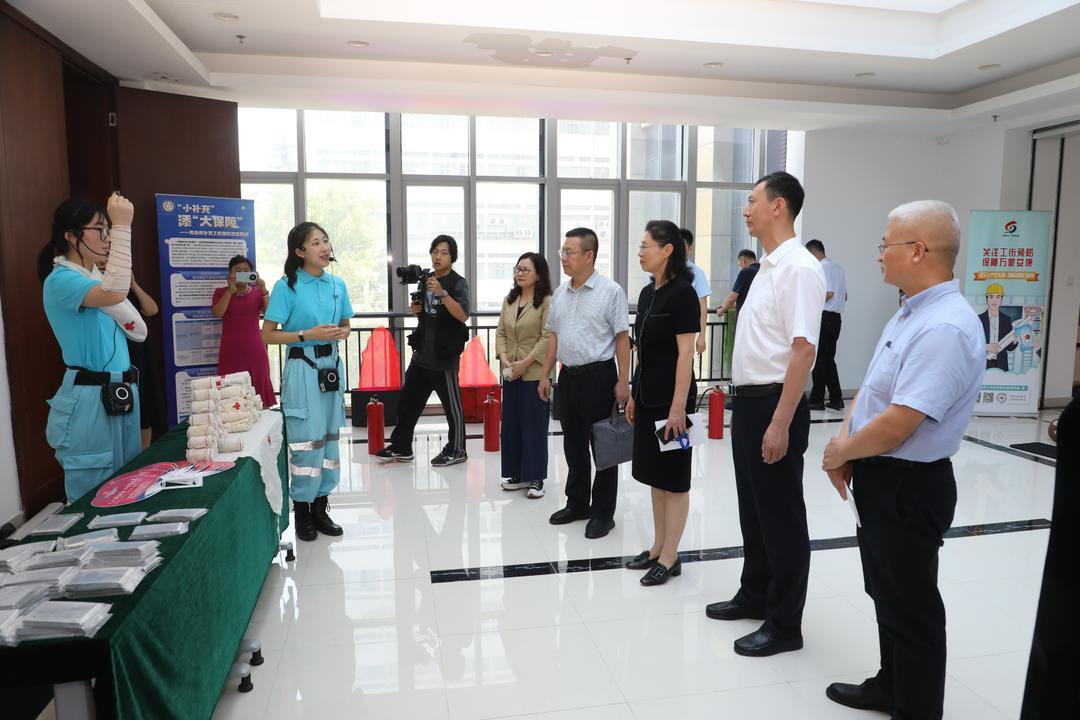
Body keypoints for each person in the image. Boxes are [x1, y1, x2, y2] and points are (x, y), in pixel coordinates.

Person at [821, 200, 985, 720]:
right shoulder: (911, 312)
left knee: (912, 608)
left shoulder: (946, 328)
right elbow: (872, 391)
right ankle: (891, 685)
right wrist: (844, 444)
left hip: (909, 486)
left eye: (884, 244)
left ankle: (916, 707)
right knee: (886, 591)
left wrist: (842, 451)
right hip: (881, 475)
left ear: (917, 251)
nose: (878, 255)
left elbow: (901, 421)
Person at [704, 171, 825, 658]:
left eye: (753, 200)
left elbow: (803, 350)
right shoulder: (768, 268)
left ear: (779, 207)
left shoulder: (799, 269)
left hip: (776, 403)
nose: (745, 208)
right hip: (753, 402)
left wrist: (779, 421)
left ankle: (785, 624)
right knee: (754, 510)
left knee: (781, 517)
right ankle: (755, 593)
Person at [38, 193, 143, 501]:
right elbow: (115, 292)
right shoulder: (61, 281)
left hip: (121, 390)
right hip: (90, 397)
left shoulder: (93, 279)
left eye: (109, 229)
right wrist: (123, 227)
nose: (107, 238)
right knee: (94, 495)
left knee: (129, 485)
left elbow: (137, 327)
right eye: (100, 229)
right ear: (72, 236)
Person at [262, 222, 353, 541]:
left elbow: (346, 324)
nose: (325, 247)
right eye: (316, 243)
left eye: (325, 241)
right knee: (306, 440)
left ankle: (321, 506)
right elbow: (267, 335)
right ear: (300, 251)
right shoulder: (286, 286)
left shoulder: (337, 284)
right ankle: (302, 510)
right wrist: (307, 334)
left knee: (329, 439)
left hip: (331, 366)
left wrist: (343, 332)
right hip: (303, 367)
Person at [538, 227, 631, 540]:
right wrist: (546, 374)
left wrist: (623, 381)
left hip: (599, 377)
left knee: (603, 446)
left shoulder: (611, 291)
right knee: (573, 445)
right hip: (569, 377)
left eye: (570, 252)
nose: (563, 257)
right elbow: (554, 336)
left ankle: (603, 513)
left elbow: (622, 338)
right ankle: (577, 503)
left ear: (589, 255)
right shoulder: (560, 294)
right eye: (562, 252)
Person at [624, 220, 699, 585]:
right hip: (648, 396)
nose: (640, 252)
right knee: (656, 475)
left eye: (645, 246)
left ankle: (671, 556)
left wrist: (678, 408)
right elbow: (642, 351)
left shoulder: (683, 293)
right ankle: (658, 546)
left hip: (674, 401)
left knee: (675, 479)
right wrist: (634, 393)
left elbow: (686, 354)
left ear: (667, 250)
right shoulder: (646, 293)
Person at [376, 235, 471, 467]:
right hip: (422, 356)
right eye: (435, 251)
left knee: (452, 409)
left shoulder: (457, 283)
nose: (438, 256)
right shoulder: (426, 280)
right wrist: (417, 311)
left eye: (444, 252)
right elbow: (427, 315)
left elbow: (463, 315)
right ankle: (401, 447)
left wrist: (442, 293)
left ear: (452, 257)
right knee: (407, 403)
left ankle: (457, 449)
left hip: (444, 357)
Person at [496, 252, 553, 498]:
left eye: (525, 270)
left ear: (538, 274)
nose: (520, 273)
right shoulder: (509, 300)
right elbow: (500, 332)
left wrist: (526, 362)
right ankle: (517, 473)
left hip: (534, 372)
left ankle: (536, 477)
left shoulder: (547, 301)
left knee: (534, 426)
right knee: (512, 425)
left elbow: (547, 337)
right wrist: (504, 358)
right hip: (511, 372)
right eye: (518, 269)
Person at [212, 255, 277, 408]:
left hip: (256, 351)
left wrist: (264, 291)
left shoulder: (257, 293)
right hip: (230, 352)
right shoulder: (221, 292)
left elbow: (270, 314)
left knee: (259, 392)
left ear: (252, 274)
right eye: (238, 270)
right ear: (230, 273)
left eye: (246, 271)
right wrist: (231, 289)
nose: (242, 273)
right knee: (231, 395)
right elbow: (218, 312)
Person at [806, 239, 847, 411]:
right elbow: (844, 296)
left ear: (814, 252)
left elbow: (829, 293)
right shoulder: (838, 268)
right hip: (835, 319)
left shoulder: (822, 267)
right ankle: (836, 398)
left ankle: (817, 400)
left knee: (820, 360)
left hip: (825, 318)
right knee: (828, 360)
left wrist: (810, 303)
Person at [126, 277, 166, 448]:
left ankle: (144, 454)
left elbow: (152, 309)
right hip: (118, 356)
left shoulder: (128, 291)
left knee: (145, 407)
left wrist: (134, 284)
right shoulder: (99, 291)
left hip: (140, 354)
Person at [678, 228, 712, 356]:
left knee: (684, 360)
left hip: (686, 332)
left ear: (690, 249)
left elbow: (702, 306)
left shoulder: (697, 273)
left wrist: (702, 336)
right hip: (663, 331)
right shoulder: (662, 270)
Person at [978, 282, 1017, 371]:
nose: (994, 301)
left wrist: (1015, 339)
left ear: (1001, 299)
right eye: (991, 297)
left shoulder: (1006, 320)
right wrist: (986, 346)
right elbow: (972, 343)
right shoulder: (979, 319)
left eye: (998, 297)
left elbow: (1010, 348)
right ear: (986, 299)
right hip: (983, 363)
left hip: (1001, 364)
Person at [714, 249, 759, 317]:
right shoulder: (763, 270)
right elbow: (749, 299)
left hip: (746, 317)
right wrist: (726, 306)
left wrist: (722, 310)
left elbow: (732, 298)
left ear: (743, 261)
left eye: (740, 265)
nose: (740, 268)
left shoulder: (745, 272)